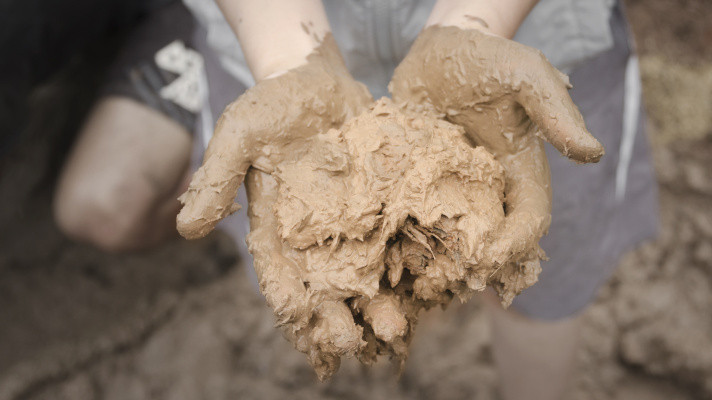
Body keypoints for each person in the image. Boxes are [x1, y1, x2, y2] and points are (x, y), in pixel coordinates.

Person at [54, 0, 658, 399]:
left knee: (533, 267)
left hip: (519, 44)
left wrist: (476, 22)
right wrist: (289, 55)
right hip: (268, 38)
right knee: (317, 277)